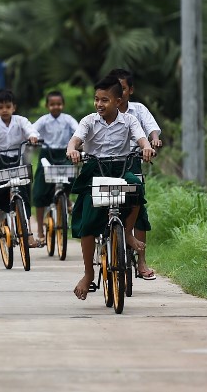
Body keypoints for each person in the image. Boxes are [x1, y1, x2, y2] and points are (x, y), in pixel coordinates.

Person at [66, 75, 154, 301]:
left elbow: (142, 139)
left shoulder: (129, 121)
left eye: (104, 100)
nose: (99, 104)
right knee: (87, 220)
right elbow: (75, 140)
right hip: (94, 169)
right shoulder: (88, 121)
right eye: (96, 99)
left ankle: (127, 233)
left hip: (121, 167)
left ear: (118, 100)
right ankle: (88, 273)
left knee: (136, 187)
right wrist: (73, 150)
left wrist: (146, 149)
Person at [109, 68, 163, 280]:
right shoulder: (104, 109)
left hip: (132, 162)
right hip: (107, 164)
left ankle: (141, 261)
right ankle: (104, 249)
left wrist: (153, 140)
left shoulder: (137, 111)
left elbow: (151, 128)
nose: (118, 94)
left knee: (139, 209)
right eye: (114, 89)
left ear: (130, 90)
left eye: (122, 89)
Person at [0, 89, 36, 238]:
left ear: (13, 107)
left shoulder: (21, 120)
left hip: (17, 159)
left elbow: (30, 129)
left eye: (8, 107)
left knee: (24, 191)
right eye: (1, 107)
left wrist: (33, 137)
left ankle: (27, 233)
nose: (4, 110)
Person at [28, 90, 80, 246]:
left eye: (58, 104)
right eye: (52, 104)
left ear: (63, 105)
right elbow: (32, 130)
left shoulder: (68, 119)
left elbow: (78, 130)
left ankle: (67, 200)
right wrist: (33, 138)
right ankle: (40, 232)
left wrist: (79, 143)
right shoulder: (43, 120)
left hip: (65, 152)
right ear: (47, 105)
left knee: (71, 174)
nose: (56, 107)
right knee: (39, 190)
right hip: (47, 153)